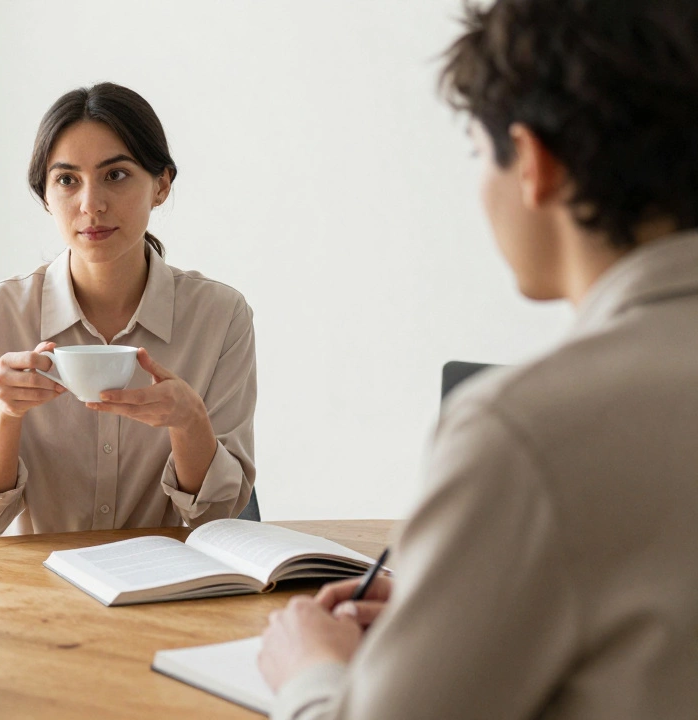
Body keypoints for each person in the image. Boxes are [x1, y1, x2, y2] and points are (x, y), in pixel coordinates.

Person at [257, 1, 698, 718]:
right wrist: (461, 604)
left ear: (532, 162)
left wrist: (310, 671)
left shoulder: (525, 432)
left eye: (474, 151)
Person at [0, 83, 257, 538]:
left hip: (165, 589)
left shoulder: (221, 316)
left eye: (115, 175)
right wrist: (4, 414)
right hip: (32, 592)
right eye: (67, 180)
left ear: (161, 185)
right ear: (46, 196)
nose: (91, 205)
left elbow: (221, 522)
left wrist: (189, 422)